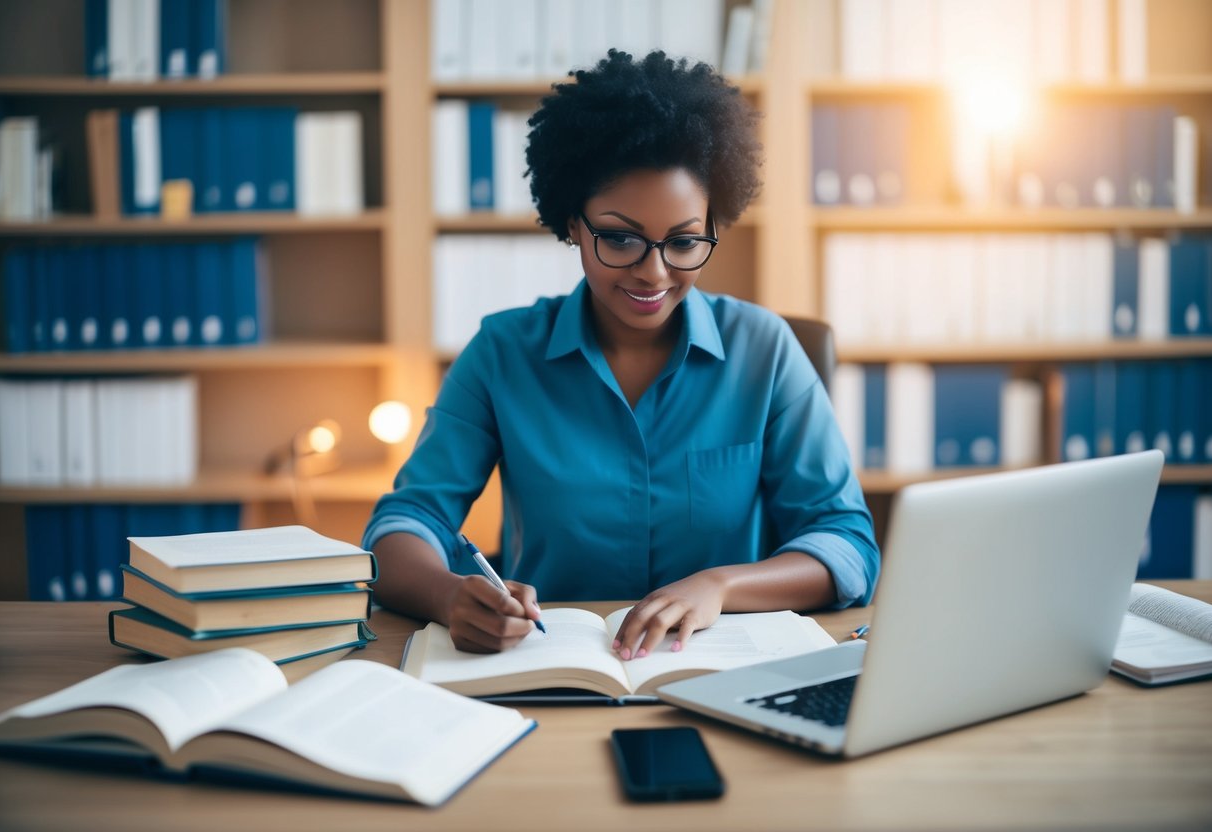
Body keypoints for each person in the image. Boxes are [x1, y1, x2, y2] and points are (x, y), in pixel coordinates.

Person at [364, 50, 879, 659]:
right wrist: (449, 594)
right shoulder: (501, 354)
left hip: (722, 670)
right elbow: (403, 525)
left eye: (684, 242)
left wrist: (721, 584)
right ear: (573, 224)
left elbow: (846, 543)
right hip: (551, 670)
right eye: (620, 238)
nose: (653, 272)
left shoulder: (764, 350)